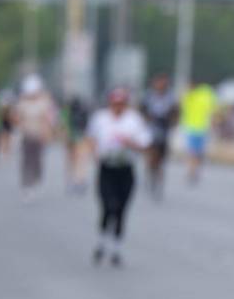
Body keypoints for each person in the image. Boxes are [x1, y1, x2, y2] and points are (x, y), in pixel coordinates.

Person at [86, 88, 152, 267]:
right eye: (115, 103)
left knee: (121, 208)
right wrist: (94, 152)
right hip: (107, 167)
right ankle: (101, 243)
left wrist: (130, 143)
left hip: (125, 168)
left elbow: (145, 143)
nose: (118, 107)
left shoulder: (134, 120)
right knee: (108, 206)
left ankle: (116, 248)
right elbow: (91, 138)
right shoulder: (100, 118)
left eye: (121, 103)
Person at [11, 75, 58, 200]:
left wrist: (48, 134)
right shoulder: (22, 103)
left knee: (37, 160)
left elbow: (48, 119)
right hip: (26, 134)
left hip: (39, 134)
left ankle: (36, 179)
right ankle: (27, 184)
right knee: (26, 160)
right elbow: (16, 119)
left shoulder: (44, 102)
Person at [141, 74, 179, 199]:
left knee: (161, 158)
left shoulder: (171, 97)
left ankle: (158, 178)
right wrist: (146, 120)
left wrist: (173, 122)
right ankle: (150, 170)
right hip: (151, 129)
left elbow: (176, 112)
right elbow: (142, 110)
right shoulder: (148, 96)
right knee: (152, 153)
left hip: (164, 128)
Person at [180, 80, 217, 184]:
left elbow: (212, 108)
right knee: (193, 152)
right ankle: (192, 170)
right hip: (192, 128)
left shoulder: (199, 95)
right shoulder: (193, 96)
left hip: (201, 128)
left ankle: (193, 169)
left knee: (197, 153)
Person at [64, 97, 91, 194]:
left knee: (73, 161)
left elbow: (64, 126)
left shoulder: (68, 112)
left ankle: (75, 180)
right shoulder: (83, 112)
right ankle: (78, 180)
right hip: (79, 138)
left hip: (75, 138)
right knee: (79, 161)